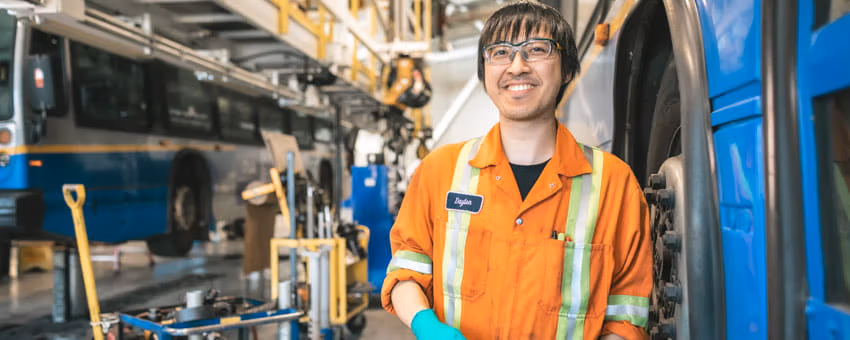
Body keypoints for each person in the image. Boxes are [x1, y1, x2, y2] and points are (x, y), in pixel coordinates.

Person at [381, 1, 652, 340]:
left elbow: (626, 314)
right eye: (500, 53)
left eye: (536, 50)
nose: (517, 66)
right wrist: (427, 325)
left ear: (567, 69)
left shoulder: (615, 184)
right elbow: (406, 272)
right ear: (485, 72)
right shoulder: (440, 171)